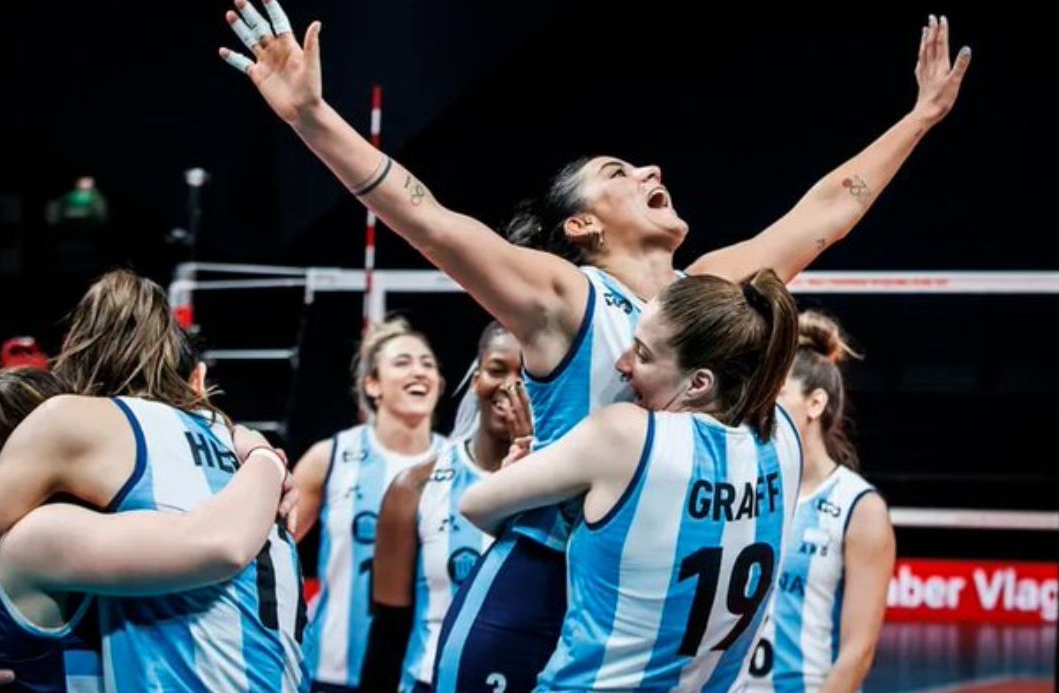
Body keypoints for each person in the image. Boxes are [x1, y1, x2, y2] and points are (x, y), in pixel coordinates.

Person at [220, 2, 969, 686]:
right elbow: (431, 221)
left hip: (651, 587)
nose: (651, 170)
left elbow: (826, 213)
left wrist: (921, 117)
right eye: (619, 172)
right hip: (545, 582)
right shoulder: (566, 296)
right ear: (583, 226)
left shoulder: (707, 291)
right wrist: (313, 118)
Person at [0, 270, 307, 691]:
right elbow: (222, 544)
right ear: (199, 381)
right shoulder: (231, 459)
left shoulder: (55, 522)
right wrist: (264, 455)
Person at [459, 271, 802, 691]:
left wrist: (523, 473)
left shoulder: (627, 434)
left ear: (699, 383)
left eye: (642, 353)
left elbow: (476, 504)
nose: (622, 364)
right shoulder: (786, 438)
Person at [361, 323, 528, 693]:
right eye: (497, 370)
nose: (511, 386)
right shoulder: (415, 486)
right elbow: (388, 630)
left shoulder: (567, 485)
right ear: (476, 379)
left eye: (526, 374)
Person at [741, 311, 894, 693]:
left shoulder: (859, 508)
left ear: (815, 403)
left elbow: (857, 653)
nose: (760, 407)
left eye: (776, 395)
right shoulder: (743, 489)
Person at [291, 317, 447, 691]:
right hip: (331, 673)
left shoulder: (457, 464)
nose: (419, 371)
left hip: (421, 676)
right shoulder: (328, 457)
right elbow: (272, 549)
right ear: (372, 384)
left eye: (427, 364)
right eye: (402, 362)